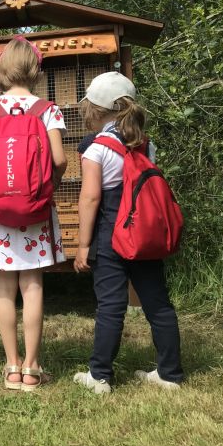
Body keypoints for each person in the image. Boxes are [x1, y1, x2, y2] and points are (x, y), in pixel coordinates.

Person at [0, 37, 68, 391]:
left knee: (4, 287)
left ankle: (11, 366)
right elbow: (59, 160)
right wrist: (48, 187)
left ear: (2, 70)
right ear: (36, 71)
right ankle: (32, 368)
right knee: (33, 284)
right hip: (36, 210)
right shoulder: (48, 110)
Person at [73, 71, 183, 394]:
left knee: (110, 306)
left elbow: (90, 199)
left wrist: (83, 245)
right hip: (144, 234)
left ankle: (100, 376)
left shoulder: (96, 149)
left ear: (95, 110)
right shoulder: (146, 146)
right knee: (158, 304)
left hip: (111, 235)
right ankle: (170, 374)